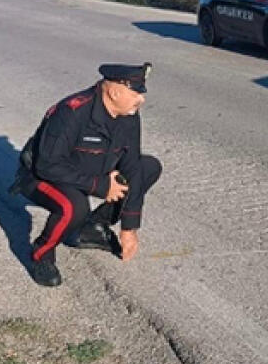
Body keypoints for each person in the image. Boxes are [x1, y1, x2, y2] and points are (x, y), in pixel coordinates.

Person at [10, 63, 162, 287]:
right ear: (114, 92)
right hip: (41, 176)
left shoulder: (129, 115)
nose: (141, 99)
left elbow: (132, 166)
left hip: (85, 172)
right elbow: (47, 165)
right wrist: (100, 186)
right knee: (74, 207)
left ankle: (92, 227)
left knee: (147, 167)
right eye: (136, 93)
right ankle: (42, 254)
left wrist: (129, 228)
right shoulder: (72, 111)